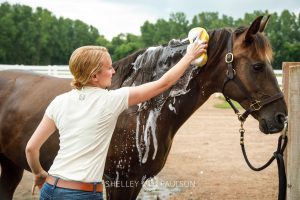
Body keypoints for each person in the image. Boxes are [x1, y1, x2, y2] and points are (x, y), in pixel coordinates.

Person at [25, 36, 207, 199]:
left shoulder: (59, 101)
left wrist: (39, 173)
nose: (113, 71)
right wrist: (189, 56)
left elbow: (31, 148)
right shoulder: (111, 100)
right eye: (109, 67)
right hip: (82, 194)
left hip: (50, 189)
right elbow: (164, 83)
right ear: (94, 76)